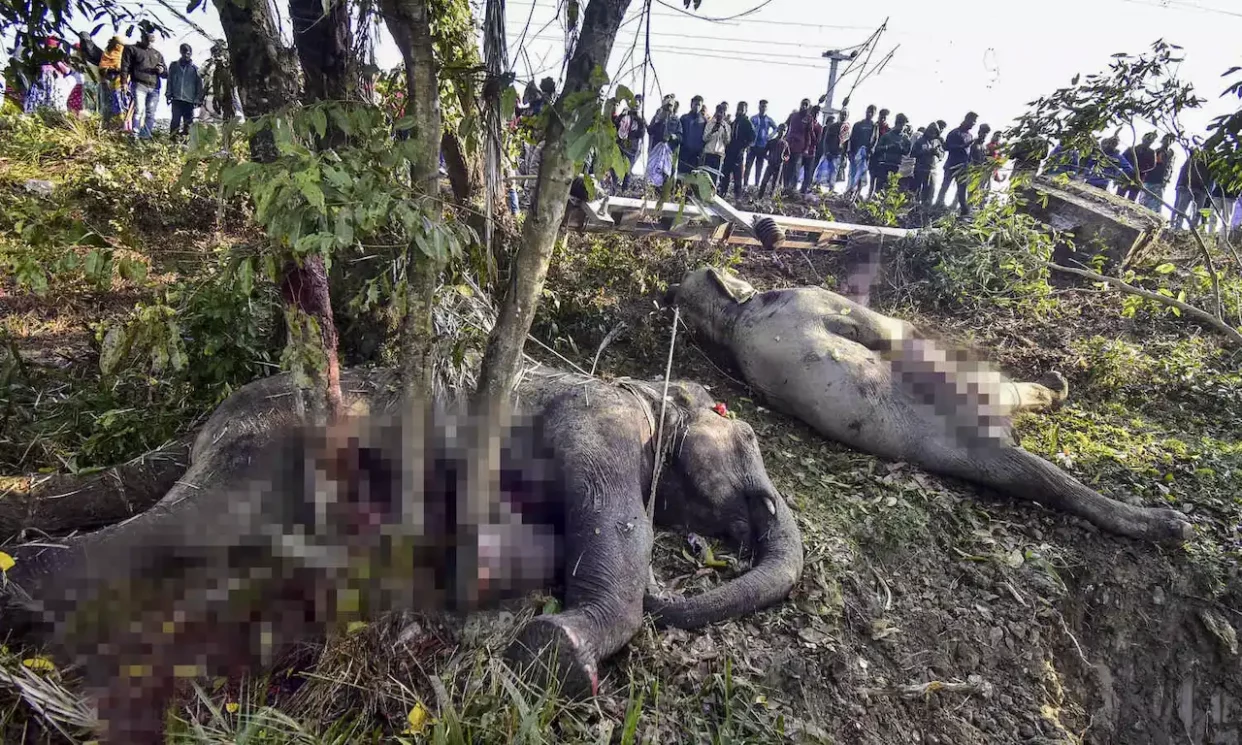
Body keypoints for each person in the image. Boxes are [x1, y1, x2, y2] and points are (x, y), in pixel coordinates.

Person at [122, 30, 167, 139]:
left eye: (151, 41)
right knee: (139, 110)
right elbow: (125, 67)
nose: (149, 43)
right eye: (147, 40)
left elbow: (166, 73)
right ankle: (135, 135)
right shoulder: (132, 49)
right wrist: (124, 82)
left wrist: (161, 71)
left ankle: (145, 137)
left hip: (154, 86)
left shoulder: (157, 54)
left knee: (150, 113)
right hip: (139, 84)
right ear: (142, 38)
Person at [935, 111, 978, 215]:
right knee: (945, 186)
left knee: (962, 190)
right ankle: (937, 207)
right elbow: (946, 147)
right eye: (972, 122)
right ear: (967, 119)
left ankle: (964, 211)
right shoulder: (955, 133)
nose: (973, 124)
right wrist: (962, 146)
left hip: (963, 167)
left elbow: (969, 153)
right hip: (952, 165)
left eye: (975, 123)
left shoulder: (970, 136)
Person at [166, 43, 203, 138]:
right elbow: (169, 80)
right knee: (175, 121)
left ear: (191, 54)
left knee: (188, 122)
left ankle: (186, 141)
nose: (186, 55)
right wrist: (168, 94)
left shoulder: (195, 69)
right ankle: (173, 140)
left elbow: (199, 85)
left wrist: (198, 99)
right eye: (184, 52)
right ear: (181, 52)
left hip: (189, 100)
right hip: (176, 98)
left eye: (188, 53)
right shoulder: (174, 66)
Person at [870, 113, 911, 195]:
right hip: (884, 164)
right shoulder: (887, 135)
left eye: (903, 124)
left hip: (896, 166)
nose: (902, 126)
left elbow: (907, 152)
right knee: (879, 188)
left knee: (891, 188)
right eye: (900, 124)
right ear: (896, 123)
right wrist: (888, 147)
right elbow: (877, 149)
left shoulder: (905, 138)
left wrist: (900, 148)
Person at [720, 101, 755, 199]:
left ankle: (737, 197)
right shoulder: (734, 121)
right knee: (725, 174)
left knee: (737, 177)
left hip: (738, 153)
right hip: (729, 151)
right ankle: (723, 193)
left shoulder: (747, 123)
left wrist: (743, 147)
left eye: (742, 108)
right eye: (739, 107)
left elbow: (752, 138)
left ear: (745, 110)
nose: (740, 110)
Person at [1172, 148, 1212, 230]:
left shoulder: (1210, 163)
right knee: (1181, 209)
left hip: (1202, 190)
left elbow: (1211, 178)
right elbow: (1184, 171)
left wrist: (1208, 191)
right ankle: (1177, 228)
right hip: (1188, 187)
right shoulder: (1192, 158)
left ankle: (1193, 230)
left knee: (1198, 212)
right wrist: (1182, 185)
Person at [845, 105, 878, 197]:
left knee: (861, 174)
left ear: (874, 114)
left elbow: (875, 139)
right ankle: (849, 192)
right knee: (852, 173)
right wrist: (849, 151)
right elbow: (851, 138)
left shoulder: (874, 126)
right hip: (855, 152)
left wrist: (870, 151)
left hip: (865, 154)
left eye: (872, 112)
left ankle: (857, 194)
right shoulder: (858, 124)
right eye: (868, 111)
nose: (869, 113)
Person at [614, 95, 645, 190]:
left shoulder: (640, 118)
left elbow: (641, 133)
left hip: (632, 147)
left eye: (638, 103)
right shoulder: (625, 112)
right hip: (620, 144)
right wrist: (623, 114)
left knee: (627, 171)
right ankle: (614, 188)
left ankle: (624, 190)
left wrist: (639, 119)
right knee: (615, 167)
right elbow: (616, 124)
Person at [1140, 134, 1177, 214]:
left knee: (1157, 204)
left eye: (1171, 140)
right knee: (1144, 201)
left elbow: (1171, 168)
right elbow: (1149, 164)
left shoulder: (1172, 154)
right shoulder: (1156, 151)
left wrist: (1167, 179)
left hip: (1161, 181)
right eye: (1166, 139)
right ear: (1162, 140)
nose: (1168, 141)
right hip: (1150, 179)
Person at [202, 40, 237, 122]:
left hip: (228, 94)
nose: (219, 54)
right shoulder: (209, 63)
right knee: (209, 119)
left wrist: (225, 63)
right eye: (216, 51)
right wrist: (211, 62)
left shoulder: (228, 64)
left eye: (221, 51)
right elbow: (201, 73)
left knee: (229, 118)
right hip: (210, 95)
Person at [782, 98, 812, 192]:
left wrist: (806, 148)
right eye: (803, 104)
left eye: (806, 104)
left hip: (799, 148)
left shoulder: (808, 118)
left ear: (808, 107)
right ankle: (785, 187)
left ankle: (793, 190)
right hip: (788, 146)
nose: (804, 106)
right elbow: (784, 127)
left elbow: (808, 135)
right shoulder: (793, 115)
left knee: (795, 169)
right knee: (786, 167)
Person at [1119, 132, 1159, 201]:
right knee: (1119, 195)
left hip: (1139, 177)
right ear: (1143, 139)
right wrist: (1128, 167)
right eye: (1147, 139)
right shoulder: (1132, 148)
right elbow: (1122, 158)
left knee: (1131, 199)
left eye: (1150, 141)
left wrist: (1141, 170)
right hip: (1126, 175)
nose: (1148, 142)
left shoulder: (1151, 152)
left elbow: (1152, 166)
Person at [909, 122, 942, 206]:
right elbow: (913, 153)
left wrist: (937, 153)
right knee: (916, 191)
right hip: (920, 169)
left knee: (930, 193)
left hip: (932, 171)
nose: (932, 134)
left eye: (934, 132)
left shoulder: (937, 142)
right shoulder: (920, 141)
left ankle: (926, 210)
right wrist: (926, 151)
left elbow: (942, 155)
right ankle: (914, 208)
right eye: (930, 131)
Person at [746, 99, 777, 187]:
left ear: (767, 108)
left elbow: (776, 128)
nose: (763, 108)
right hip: (753, 145)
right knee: (748, 166)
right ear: (759, 107)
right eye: (761, 106)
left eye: (765, 106)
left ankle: (756, 185)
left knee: (759, 167)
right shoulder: (754, 118)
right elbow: (748, 129)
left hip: (762, 146)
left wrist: (770, 136)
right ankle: (745, 184)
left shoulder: (768, 119)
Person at [758, 123, 790, 198]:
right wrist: (767, 158)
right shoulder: (771, 142)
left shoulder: (785, 144)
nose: (782, 132)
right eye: (781, 130)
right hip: (770, 165)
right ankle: (759, 197)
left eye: (784, 130)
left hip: (779, 166)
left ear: (786, 132)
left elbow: (788, 155)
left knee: (774, 184)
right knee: (764, 181)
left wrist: (784, 159)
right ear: (778, 130)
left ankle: (771, 198)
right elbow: (764, 152)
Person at [678, 95, 707, 174]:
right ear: (691, 104)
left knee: (693, 179)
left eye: (699, 105)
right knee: (681, 177)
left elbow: (705, 137)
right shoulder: (684, 118)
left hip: (696, 155)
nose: (697, 107)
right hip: (684, 152)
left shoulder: (704, 121)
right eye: (695, 104)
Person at [816, 112, 845, 188]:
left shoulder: (846, 128)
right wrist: (827, 151)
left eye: (845, 114)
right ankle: (817, 186)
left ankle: (831, 189)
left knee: (834, 172)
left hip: (838, 153)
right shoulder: (833, 127)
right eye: (842, 114)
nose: (843, 116)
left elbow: (846, 142)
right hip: (828, 152)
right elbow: (826, 140)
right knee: (822, 170)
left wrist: (844, 155)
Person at [702, 104, 731, 177]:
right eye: (718, 112)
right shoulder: (709, 123)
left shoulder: (727, 127)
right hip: (708, 153)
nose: (719, 114)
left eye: (721, 112)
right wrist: (712, 131)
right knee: (705, 177)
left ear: (724, 114)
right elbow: (704, 138)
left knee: (715, 178)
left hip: (719, 155)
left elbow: (727, 141)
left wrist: (724, 129)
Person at [799, 105, 823, 193]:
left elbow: (817, 141)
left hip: (811, 152)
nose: (815, 114)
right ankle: (791, 189)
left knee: (808, 173)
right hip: (801, 151)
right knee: (795, 171)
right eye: (813, 112)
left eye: (817, 113)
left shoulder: (819, 127)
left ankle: (803, 190)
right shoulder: (804, 122)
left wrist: (811, 131)